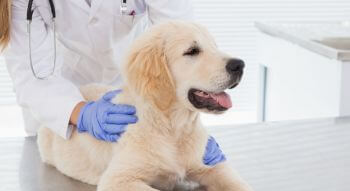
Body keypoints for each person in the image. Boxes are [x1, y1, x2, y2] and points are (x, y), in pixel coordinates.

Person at [0, 0, 225, 165]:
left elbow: (179, 42)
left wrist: (187, 131)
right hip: (57, 106)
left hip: (131, 95)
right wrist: (83, 113)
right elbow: (31, 75)